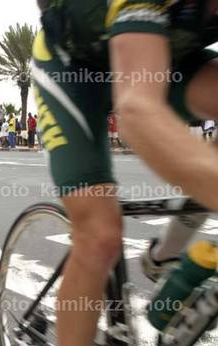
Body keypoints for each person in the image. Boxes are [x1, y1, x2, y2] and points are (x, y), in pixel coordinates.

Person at [34, 1, 218, 345]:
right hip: (74, 71)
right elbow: (136, 112)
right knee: (99, 235)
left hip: (161, 58)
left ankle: (165, 255)